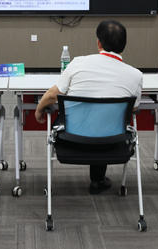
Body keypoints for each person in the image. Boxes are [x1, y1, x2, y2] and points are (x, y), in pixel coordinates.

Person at [34, 19, 143, 194]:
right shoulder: (136, 75)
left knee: (92, 119)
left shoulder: (78, 63)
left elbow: (53, 95)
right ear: (125, 45)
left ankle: (96, 179)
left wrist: (39, 109)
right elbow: (133, 109)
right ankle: (97, 180)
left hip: (71, 139)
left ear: (99, 43)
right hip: (112, 142)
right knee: (103, 120)